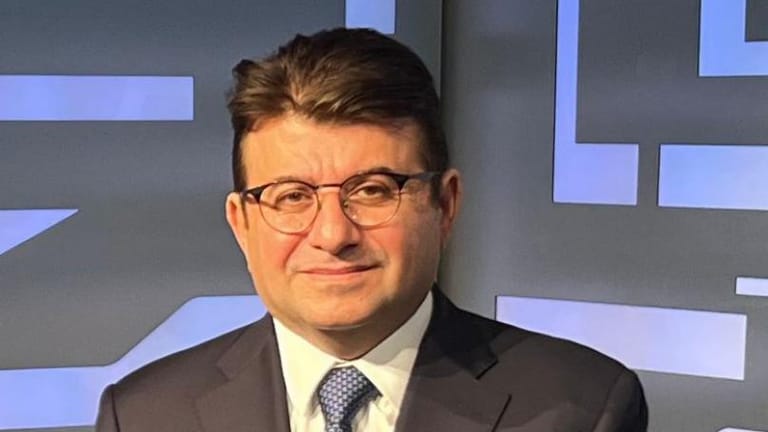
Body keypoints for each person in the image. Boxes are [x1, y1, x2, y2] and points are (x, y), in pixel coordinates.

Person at [96, 28, 648, 431]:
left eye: (373, 190)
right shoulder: (145, 415)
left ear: (445, 204)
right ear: (242, 223)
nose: (332, 234)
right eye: (292, 197)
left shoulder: (581, 406)